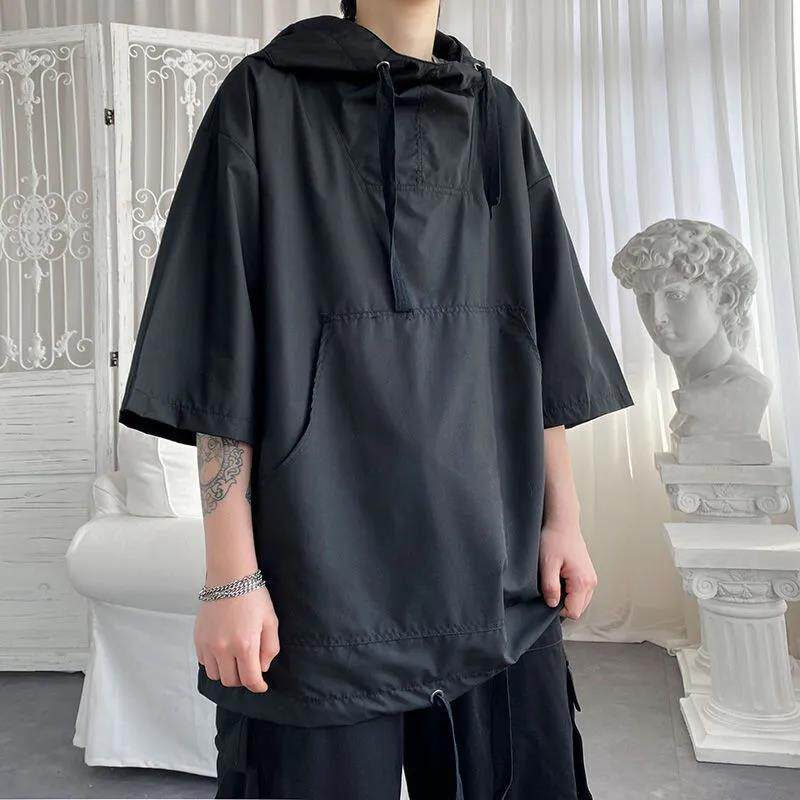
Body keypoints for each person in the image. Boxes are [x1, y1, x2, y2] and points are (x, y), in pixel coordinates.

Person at [118, 1, 634, 797]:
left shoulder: (495, 113)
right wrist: (230, 575)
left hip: (494, 566)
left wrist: (562, 521)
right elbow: (221, 351)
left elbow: (539, 332)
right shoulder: (262, 99)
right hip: (321, 578)